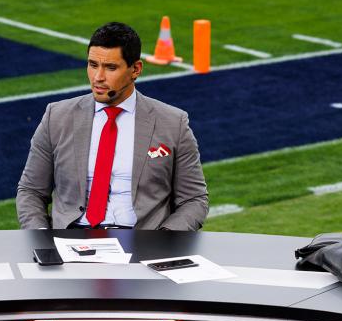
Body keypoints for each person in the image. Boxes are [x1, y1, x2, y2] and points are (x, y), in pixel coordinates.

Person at [16, 22, 208, 230]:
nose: (98, 77)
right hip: (71, 239)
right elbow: (31, 191)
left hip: (144, 241)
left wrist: (165, 239)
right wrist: (41, 236)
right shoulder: (57, 117)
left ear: (136, 69)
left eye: (110, 68)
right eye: (92, 64)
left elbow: (194, 200)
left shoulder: (173, 123)